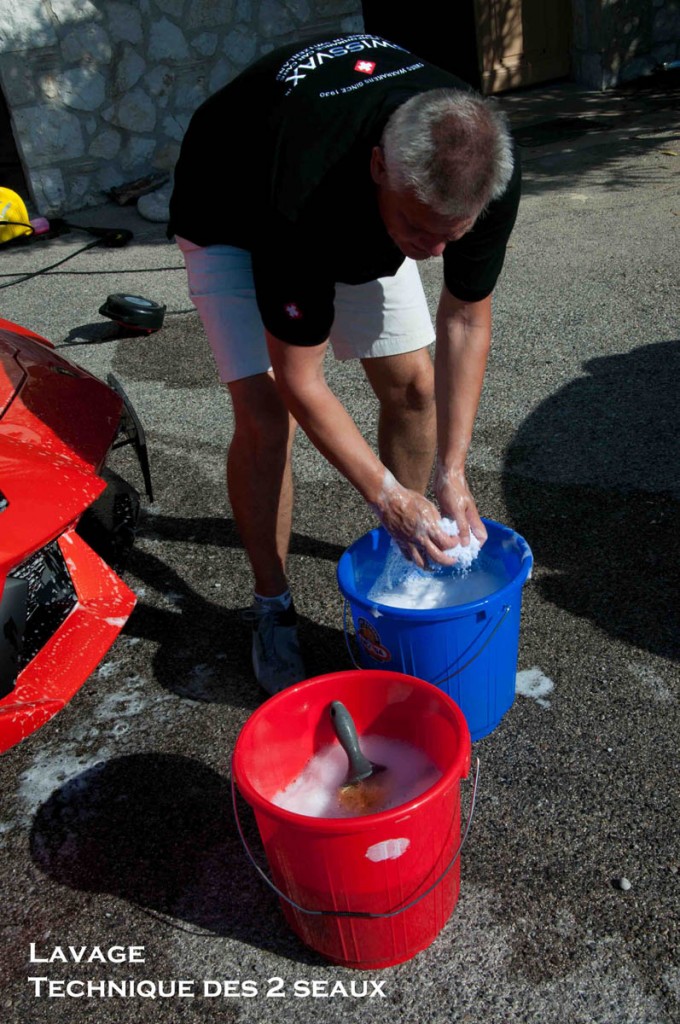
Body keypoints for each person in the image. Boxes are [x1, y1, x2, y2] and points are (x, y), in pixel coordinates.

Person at [168, 33, 521, 695]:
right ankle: (271, 606)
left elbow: (466, 316)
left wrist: (450, 469)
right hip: (231, 206)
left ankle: (402, 564)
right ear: (380, 165)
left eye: (453, 234)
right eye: (419, 231)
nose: (431, 253)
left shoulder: (481, 167)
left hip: (355, 200)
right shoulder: (301, 192)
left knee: (415, 389)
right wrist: (385, 495)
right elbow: (302, 379)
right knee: (268, 415)